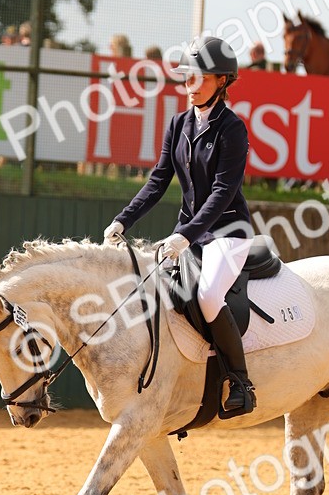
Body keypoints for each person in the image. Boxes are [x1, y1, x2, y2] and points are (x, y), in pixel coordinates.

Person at [103, 36, 256, 417]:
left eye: (198, 78)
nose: (189, 86)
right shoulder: (179, 123)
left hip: (227, 232)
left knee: (206, 298)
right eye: (186, 78)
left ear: (222, 80)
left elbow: (223, 191)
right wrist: (124, 219)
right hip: (187, 234)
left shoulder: (232, 129)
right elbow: (158, 181)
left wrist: (185, 235)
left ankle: (240, 381)